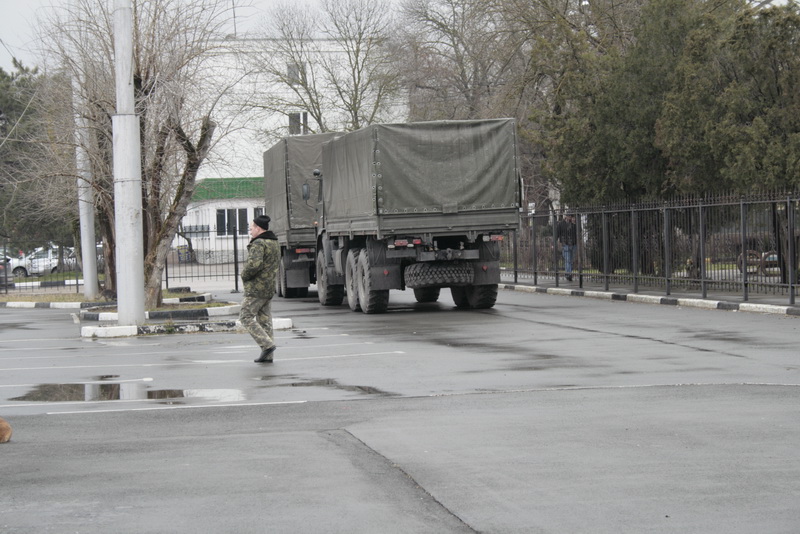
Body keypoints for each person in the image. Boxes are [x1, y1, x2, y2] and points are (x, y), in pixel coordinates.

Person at [240, 215, 281, 363]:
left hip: (256, 288)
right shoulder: (274, 242)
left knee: (245, 316)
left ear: (258, 228)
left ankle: (267, 345)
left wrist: (244, 275)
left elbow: (254, 265)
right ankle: (268, 355)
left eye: (251, 228)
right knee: (265, 321)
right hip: (269, 286)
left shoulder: (259, 243)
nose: (250, 231)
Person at [557, 212, 577, 281]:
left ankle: (568, 273)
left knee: (571, 260)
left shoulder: (573, 224)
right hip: (565, 244)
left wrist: (574, 224)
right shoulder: (561, 224)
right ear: (566, 217)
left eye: (571, 216)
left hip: (573, 244)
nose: (570, 218)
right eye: (569, 216)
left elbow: (578, 231)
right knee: (568, 260)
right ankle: (568, 274)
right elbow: (557, 233)